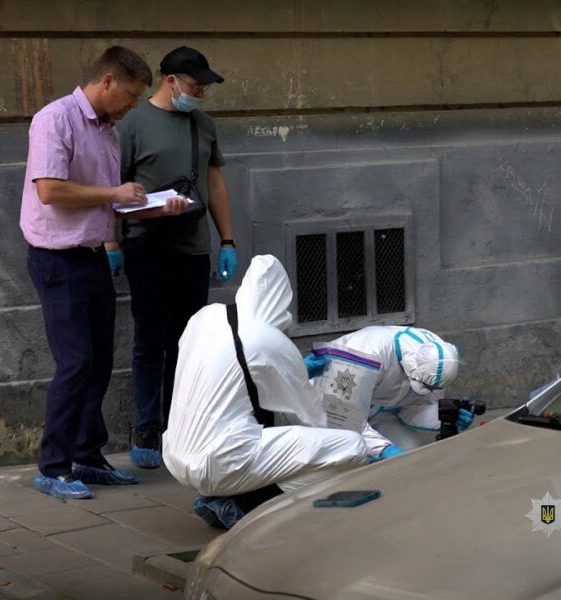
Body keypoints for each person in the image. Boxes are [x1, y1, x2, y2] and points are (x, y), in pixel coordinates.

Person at [20, 46, 187, 500]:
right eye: (131, 95)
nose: (134, 105)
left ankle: (88, 457)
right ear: (108, 81)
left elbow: (112, 203)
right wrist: (114, 191)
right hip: (57, 258)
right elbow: (51, 190)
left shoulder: (110, 131)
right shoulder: (55, 120)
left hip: (93, 255)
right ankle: (53, 467)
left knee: (97, 363)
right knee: (74, 362)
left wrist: (155, 208)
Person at [163, 255, 368, 529]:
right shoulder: (268, 339)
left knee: (254, 424)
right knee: (349, 448)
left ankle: (215, 495)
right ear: (282, 302)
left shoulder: (205, 317)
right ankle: (243, 505)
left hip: (175, 453)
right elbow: (311, 418)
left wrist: (290, 374)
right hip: (219, 462)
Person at [116, 46, 237, 469]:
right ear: (170, 82)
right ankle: (149, 428)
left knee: (188, 342)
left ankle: (182, 425)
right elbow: (116, 186)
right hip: (146, 245)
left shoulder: (203, 125)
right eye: (194, 85)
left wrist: (227, 241)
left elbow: (215, 184)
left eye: (203, 86)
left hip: (192, 246)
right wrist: (114, 246)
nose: (200, 93)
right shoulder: (132, 122)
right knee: (150, 339)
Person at [305, 325, 471, 459]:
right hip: (322, 413)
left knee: (409, 454)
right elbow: (342, 420)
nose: (430, 391)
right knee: (348, 461)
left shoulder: (435, 357)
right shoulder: (366, 352)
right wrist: (383, 450)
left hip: (375, 413)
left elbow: (412, 407)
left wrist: (442, 417)